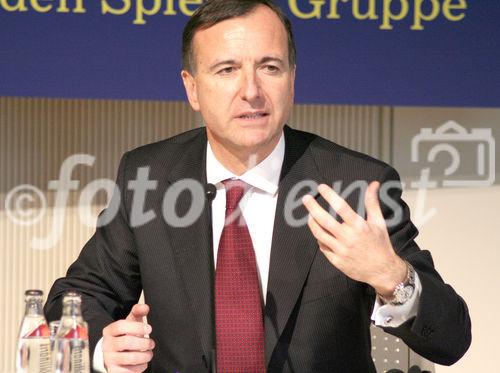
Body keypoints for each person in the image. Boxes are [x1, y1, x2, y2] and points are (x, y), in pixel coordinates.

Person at [44, 0, 471, 372]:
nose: (251, 91)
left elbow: (451, 339)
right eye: (227, 70)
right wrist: (104, 348)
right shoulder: (149, 178)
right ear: (192, 88)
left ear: (292, 80)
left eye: (269, 67)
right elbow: (76, 298)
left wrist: (391, 276)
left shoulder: (356, 187)